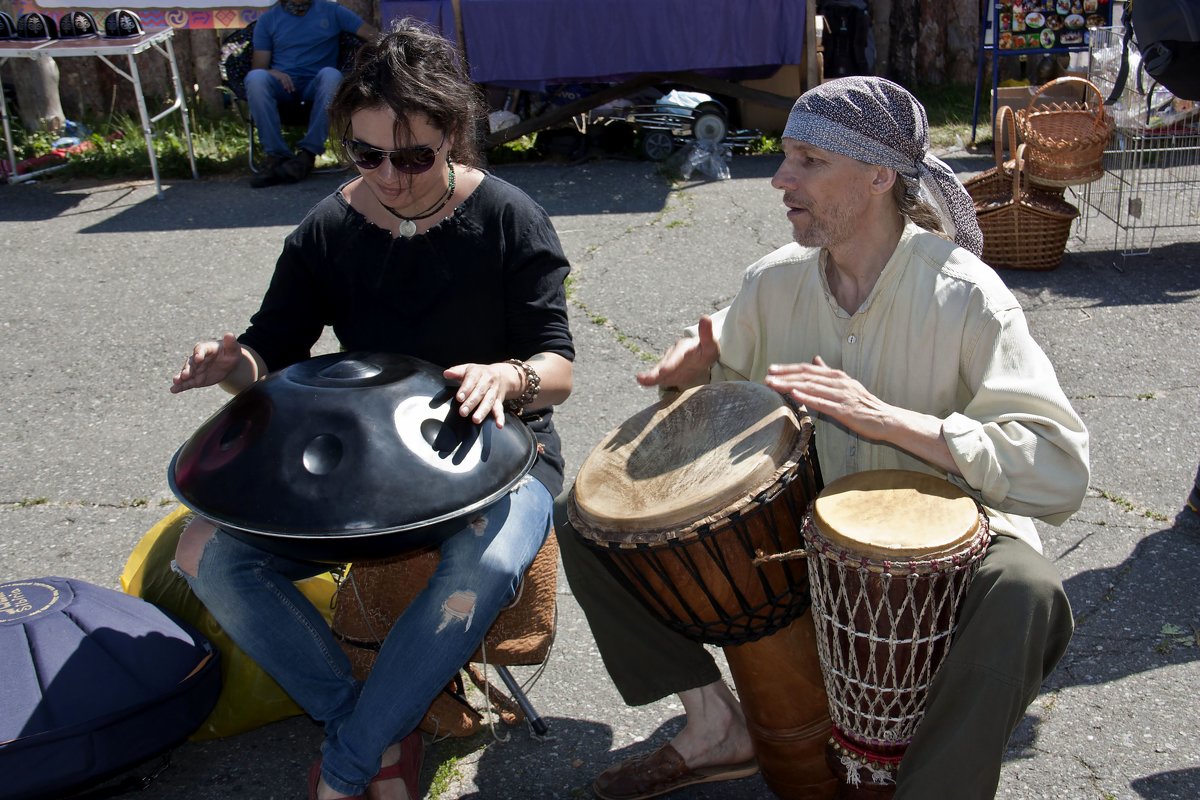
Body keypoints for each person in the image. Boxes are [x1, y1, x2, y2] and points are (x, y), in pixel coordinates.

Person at [556, 76, 1090, 800]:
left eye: (808, 161)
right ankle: (714, 722)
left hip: (947, 540)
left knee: (1027, 589)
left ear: (877, 175)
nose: (779, 179)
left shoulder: (967, 297)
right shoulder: (773, 285)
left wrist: (898, 424)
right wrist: (694, 372)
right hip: (804, 530)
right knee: (587, 525)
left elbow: (1059, 469)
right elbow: (723, 406)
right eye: (785, 157)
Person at [170, 20, 574, 800]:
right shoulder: (328, 229)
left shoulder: (508, 217)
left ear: (453, 134)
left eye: (415, 156)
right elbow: (268, 354)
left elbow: (557, 367)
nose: (391, 176)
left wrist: (509, 378)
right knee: (205, 551)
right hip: (370, 480)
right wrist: (232, 366)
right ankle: (365, 720)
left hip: (498, 457)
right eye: (367, 156)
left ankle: (351, 763)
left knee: (483, 564)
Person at [246, 0, 377, 188]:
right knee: (256, 78)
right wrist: (273, 73)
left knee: (332, 75)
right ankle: (276, 156)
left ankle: (307, 154)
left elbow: (372, 34)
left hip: (316, 86)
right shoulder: (268, 19)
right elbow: (259, 66)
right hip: (283, 87)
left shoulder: (332, 11)